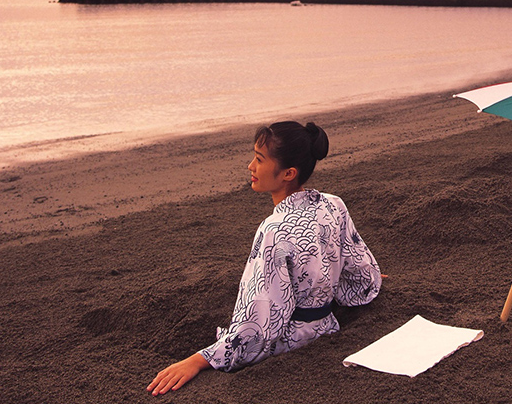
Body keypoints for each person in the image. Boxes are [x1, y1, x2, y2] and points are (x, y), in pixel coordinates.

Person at [146, 121, 381, 396]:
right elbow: (362, 272)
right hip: (328, 325)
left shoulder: (274, 230)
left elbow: (260, 323)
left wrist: (200, 359)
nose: (250, 167)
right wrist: (353, 278)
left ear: (288, 173)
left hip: (294, 341)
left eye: (259, 159)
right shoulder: (332, 203)